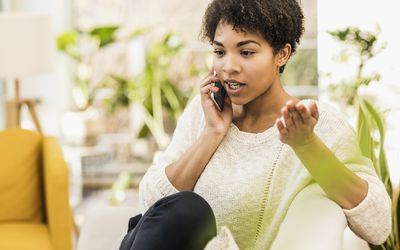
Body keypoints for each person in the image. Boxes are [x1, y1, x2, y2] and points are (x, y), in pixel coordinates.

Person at [119, 0, 392, 249]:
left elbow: (378, 226)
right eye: (219, 51)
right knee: (189, 209)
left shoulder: (317, 123)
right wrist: (212, 133)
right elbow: (151, 207)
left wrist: (307, 146)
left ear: (282, 54)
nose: (228, 66)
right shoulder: (205, 112)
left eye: (246, 52)